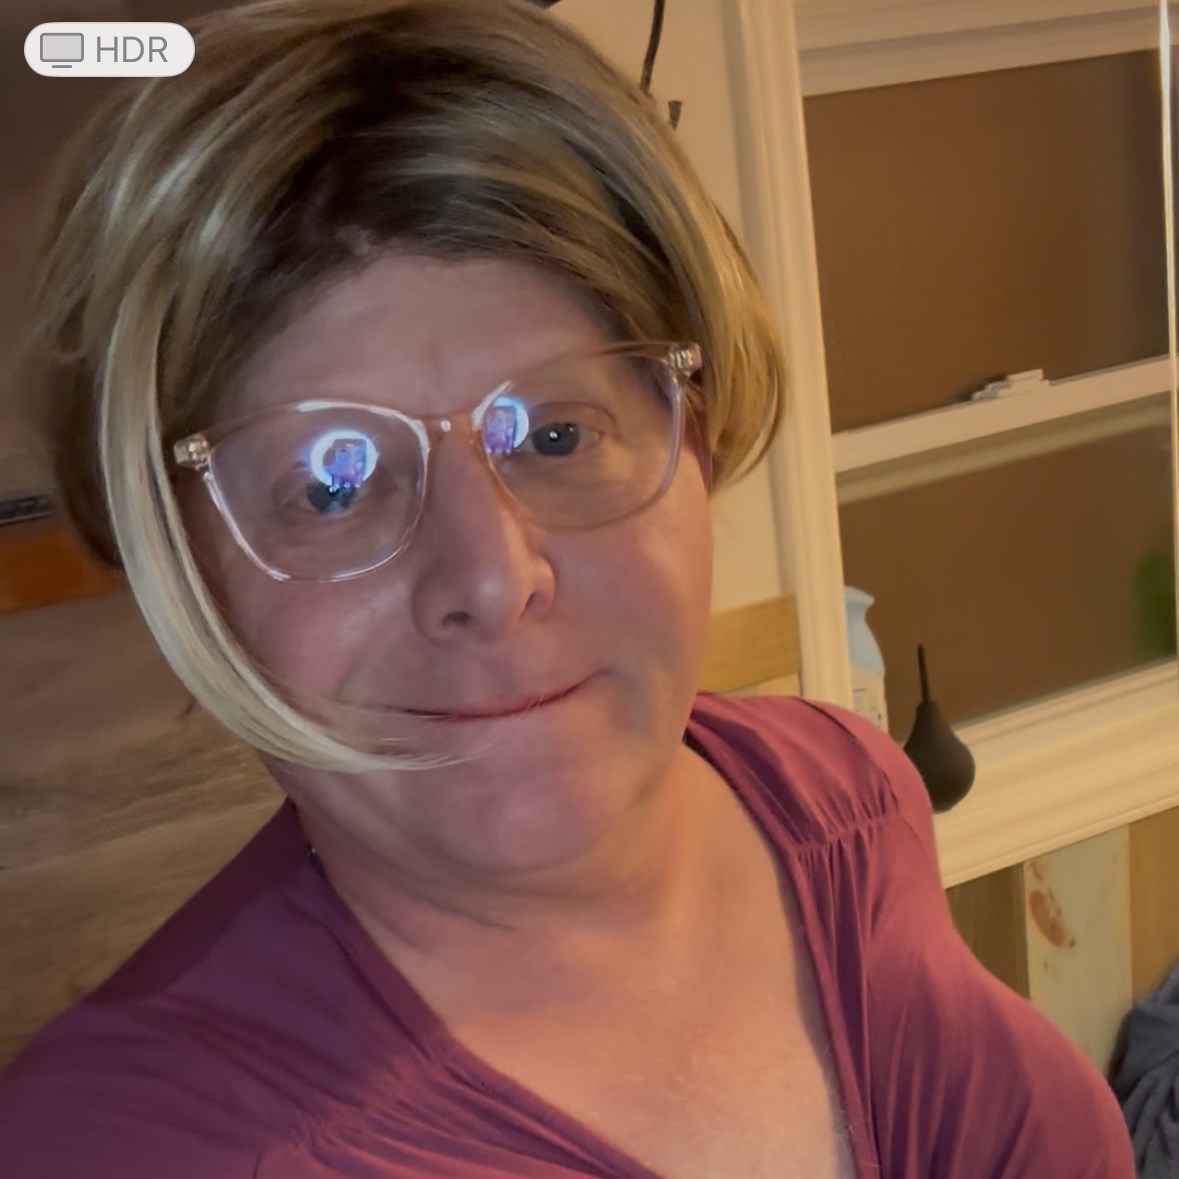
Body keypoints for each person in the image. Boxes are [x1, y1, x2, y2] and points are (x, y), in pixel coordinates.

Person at [0, 1, 1135, 1176]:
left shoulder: (840, 784)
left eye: (554, 433)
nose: (493, 578)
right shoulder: (116, 1148)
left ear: (696, 433)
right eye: (332, 484)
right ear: (185, 568)